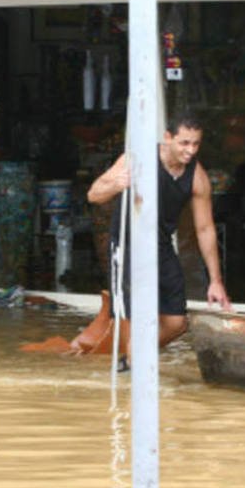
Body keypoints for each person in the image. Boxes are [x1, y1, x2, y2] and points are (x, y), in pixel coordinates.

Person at [70, 111, 232, 354]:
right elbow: (93, 194)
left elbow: (205, 228)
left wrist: (216, 281)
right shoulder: (139, 158)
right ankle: (132, 366)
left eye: (196, 144)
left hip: (161, 247)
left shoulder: (197, 176)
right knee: (135, 325)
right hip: (127, 246)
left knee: (178, 323)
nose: (190, 151)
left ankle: (131, 359)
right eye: (184, 143)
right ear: (168, 137)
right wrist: (117, 184)